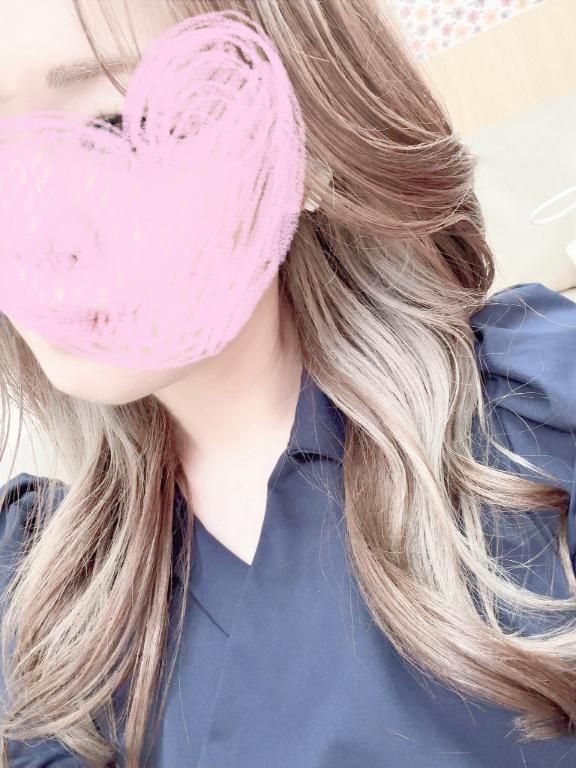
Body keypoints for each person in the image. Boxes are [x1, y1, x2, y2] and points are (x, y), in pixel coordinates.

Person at [1, 1, 576, 767]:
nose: (40, 236)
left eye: (116, 127)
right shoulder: (41, 603)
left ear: (308, 147)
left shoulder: (541, 417)